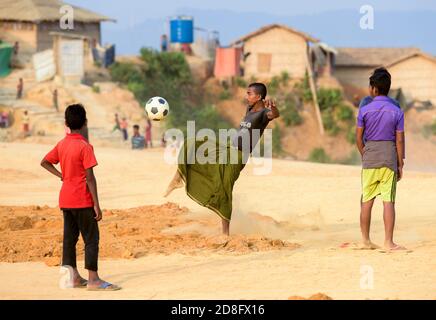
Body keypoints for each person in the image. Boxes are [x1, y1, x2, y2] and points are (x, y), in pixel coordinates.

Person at [164, 83, 280, 235]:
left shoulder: (264, 114)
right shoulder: (249, 109)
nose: (246, 96)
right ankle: (178, 177)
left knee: (224, 189)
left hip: (238, 156)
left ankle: (225, 234)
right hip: (227, 148)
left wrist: (273, 108)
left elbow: (274, 115)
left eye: (249, 93)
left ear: (258, 96)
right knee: (193, 143)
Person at [40, 104, 120, 291]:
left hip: (66, 200)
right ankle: (93, 280)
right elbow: (90, 178)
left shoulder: (61, 144)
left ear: (66, 123)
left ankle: (73, 278)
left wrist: (61, 175)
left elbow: (44, 162)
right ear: (85, 123)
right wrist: (97, 205)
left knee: (70, 239)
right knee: (91, 239)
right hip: (82, 200)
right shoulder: (85, 146)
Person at [356, 67, 406, 251]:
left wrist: (366, 154)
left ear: (373, 89)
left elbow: (358, 138)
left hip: (370, 156)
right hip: (389, 157)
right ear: (388, 88)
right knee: (388, 201)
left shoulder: (364, 109)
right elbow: (399, 139)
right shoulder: (396, 110)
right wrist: (400, 162)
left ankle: (365, 240)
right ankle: (388, 242)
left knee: (367, 200)